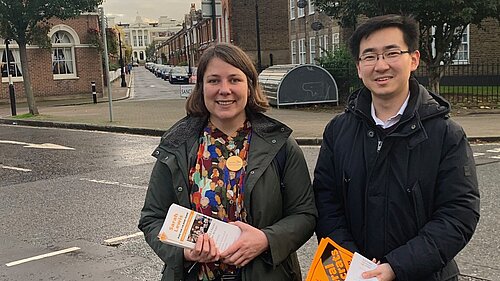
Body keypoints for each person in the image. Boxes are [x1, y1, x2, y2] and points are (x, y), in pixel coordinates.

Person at [313, 14, 480, 281]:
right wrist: (353, 264)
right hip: (352, 274)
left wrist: (396, 267)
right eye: (369, 56)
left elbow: (458, 215)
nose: (380, 66)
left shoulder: (446, 134)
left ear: (413, 59)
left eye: (391, 53)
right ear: (358, 66)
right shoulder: (338, 130)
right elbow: (326, 204)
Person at [138, 42, 317, 281]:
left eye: (234, 79)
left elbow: (304, 214)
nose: (224, 89)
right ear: (200, 87)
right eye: (214, 81)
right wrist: (183, 252)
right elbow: (152, 217)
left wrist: (266, 239)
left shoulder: (281, 144)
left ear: (250, 86)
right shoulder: (176, 145)